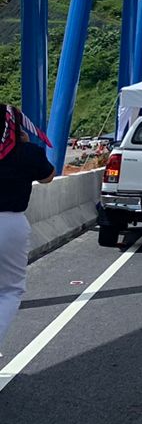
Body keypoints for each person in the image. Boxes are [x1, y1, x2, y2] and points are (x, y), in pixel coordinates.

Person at [0, 105, 54, 350]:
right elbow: (48, 176)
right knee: (10, 290)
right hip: (9, 224)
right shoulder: (27, 152)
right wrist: (23, 143)